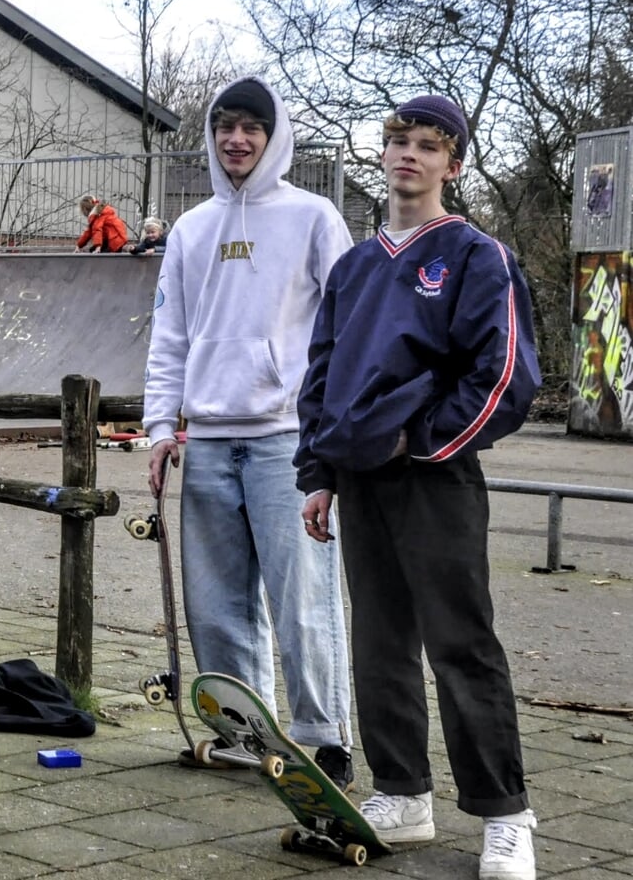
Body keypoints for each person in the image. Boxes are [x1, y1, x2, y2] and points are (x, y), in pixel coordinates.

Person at [298, 95, 541, 880]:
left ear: (453, 162)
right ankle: (401, 790)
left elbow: (503, 374)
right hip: (360, 480)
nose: (408, 154)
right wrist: (320, 474)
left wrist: (424, 438)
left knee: (461, 644)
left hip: (435, 480)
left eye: (427, 145)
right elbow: (323, 374)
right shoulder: (355, 266)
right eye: (397, 140)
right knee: (379, 640)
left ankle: (505, 813)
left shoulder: (474, 255)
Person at [143, 77, 356, 785]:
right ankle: (242, 729)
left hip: (286, 439)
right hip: (206, 436)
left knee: (302, 593)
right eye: (226, 127)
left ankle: (323, 733)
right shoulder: (191, 228)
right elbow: (169, 336)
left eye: (251, 129)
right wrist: (159, 428)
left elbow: (350, 326)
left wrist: (333, 430)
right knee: (217, 598)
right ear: (212, 135)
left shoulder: (314, 217)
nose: (237, 140)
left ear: (273, 137)